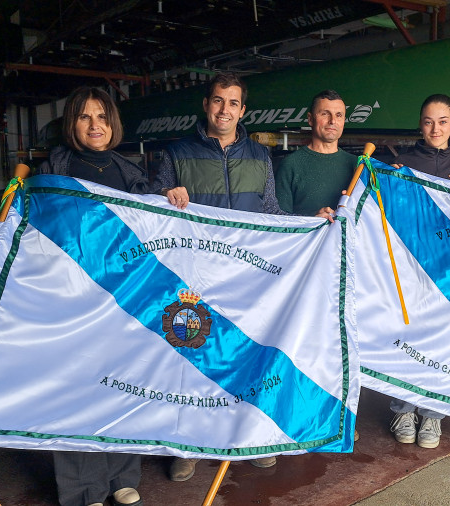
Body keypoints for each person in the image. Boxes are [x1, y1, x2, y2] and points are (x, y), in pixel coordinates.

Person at [152, 71, 282, 482]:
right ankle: (188, 445)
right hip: (193, 277)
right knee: (189, 359)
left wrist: (314, 227)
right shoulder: (175, 153)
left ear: (243, 110)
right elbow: (150, 210)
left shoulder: (260, 157)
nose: (224, 110)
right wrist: (164, 196)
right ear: (206, 104)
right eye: (217, 101)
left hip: (245, 277)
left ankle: (247, 439)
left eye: (233, 103)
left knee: (244, 356)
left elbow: (271, 213)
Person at [37, 86, 148, 506]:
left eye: (102, 116)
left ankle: (122, 474)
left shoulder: (132, 173)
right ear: (73, 124)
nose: (95, 125)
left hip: (124, 300)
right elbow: (26, 237)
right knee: (77, 390)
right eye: (85, 117)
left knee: (128, 384)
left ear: (113, 123)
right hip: (73, 299)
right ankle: (85, 489)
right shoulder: (51, 174)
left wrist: (170, 201)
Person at [387, 94, 450, 450]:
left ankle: (434, 414)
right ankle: (403, 409)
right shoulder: (402, 164)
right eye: (428, 121)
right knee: (407, 337)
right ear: (420, 125)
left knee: (444, 340)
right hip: (409, 266)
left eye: (442, 121)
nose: (435, 128)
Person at [275, 89, 357, 216]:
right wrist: (312, 221)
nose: (333, 121)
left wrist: (395, 176)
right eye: (325, 114)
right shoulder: (290, 165)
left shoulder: (358, 166)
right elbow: (279, 221)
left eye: (339, 115)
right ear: (310, 119)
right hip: (307, 236)